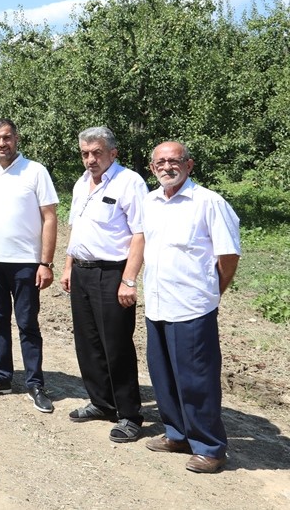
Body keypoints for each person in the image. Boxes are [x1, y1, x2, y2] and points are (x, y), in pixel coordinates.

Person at [142, 141, 240, 474]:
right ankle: (177, 434)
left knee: (197, 380)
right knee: (163, 376)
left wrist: (211, 292)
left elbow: (228, 255)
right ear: (152, 168)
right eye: (160, 162)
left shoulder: (208, 202)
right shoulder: (150, 202)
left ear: (189, 164)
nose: (167, 167)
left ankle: (210, 448)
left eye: (174, 160)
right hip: (157, 304)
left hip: (192, 307)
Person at [59, 126, 147, 443]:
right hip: (82, 271)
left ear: (113, 153)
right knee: (88, 343)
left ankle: (130, 415)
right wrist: (68, 266)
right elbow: (77, 229)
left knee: (116, 345)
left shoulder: (129, 182)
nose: (90, 159)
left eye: (96, 153)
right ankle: (101, 403)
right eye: (85, 153)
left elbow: (140, 234)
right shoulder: (81, 183)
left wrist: (129, 279)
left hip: (112, 274)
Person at [0, 118, 58, 414]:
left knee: (27, 324)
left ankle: (35, 383)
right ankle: (2, 377)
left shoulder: (35, 171)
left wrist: (45, 262)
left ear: (16, 138)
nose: (1, 144)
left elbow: (50, 217)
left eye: (6, 138)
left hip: (25, 263)